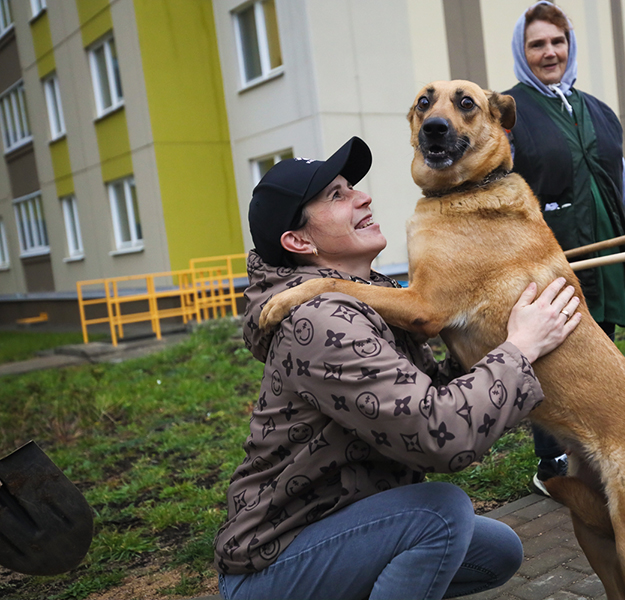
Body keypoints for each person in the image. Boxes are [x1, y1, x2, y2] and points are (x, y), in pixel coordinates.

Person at [213, 136, 582, 600]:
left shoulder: (361, 298)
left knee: (496, 549)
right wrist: (520, 349)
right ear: (298, 240)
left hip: (341, 520)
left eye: (353, 187)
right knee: (440, 514)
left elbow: (426, 393)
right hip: (274, 561)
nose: (363, 197)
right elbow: (438, 436)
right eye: (337, 196)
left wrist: (495, 330)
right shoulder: (322, 321)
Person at [503, 1, 625, 496]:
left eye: (557, 41)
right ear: (522, 53)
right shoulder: (508, 112)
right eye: (538, 44)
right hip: (546, 263)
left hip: (604, 253)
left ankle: (592, 451)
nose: (550, 53)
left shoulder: (598, 110)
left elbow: (620, 176)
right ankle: (552, 466)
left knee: (598, 356)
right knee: (549, 366)